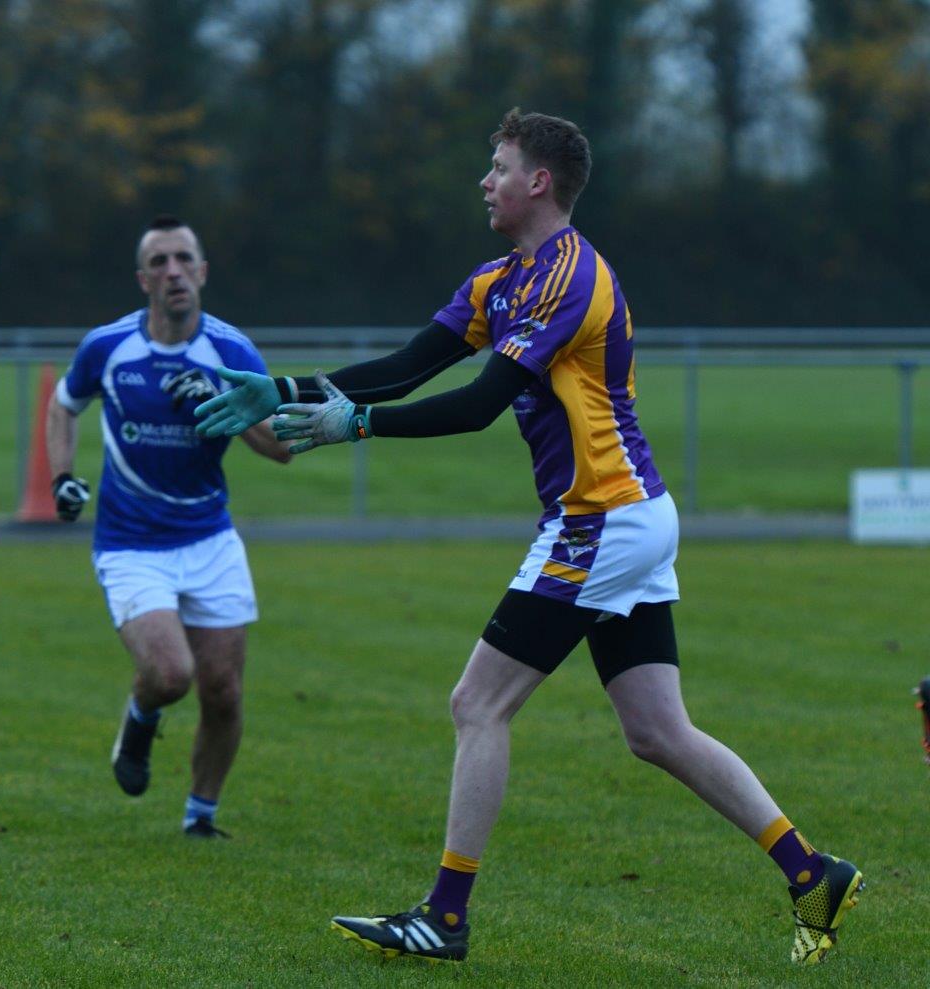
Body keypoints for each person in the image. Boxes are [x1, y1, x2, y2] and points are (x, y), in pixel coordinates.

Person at [195, 109, 862, 963]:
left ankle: (444, 915)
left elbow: (475, 405)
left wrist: (354, 425)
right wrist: (275, 387)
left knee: (478, 704)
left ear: (538, 182)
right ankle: (812, 871)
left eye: (499, 166)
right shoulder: (501, 280)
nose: (487, 180)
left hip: (601, 518)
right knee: (657, 730)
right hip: (628, 516)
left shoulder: (569, 278)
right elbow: (410, 364)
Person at [46, 214, 290, 838]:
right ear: (142, 279)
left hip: (209, 538)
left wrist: (218, 399)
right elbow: (64, 406)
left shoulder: (230, 353)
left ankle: (200, 815)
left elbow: (280, 446)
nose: (173, 271)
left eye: (184, 259)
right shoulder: (108, 346)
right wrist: (62, 477)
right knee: (170, 674)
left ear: (203, 272)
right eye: (160, 262)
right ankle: (140, 718)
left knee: (224, 691)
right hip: (131, 544)